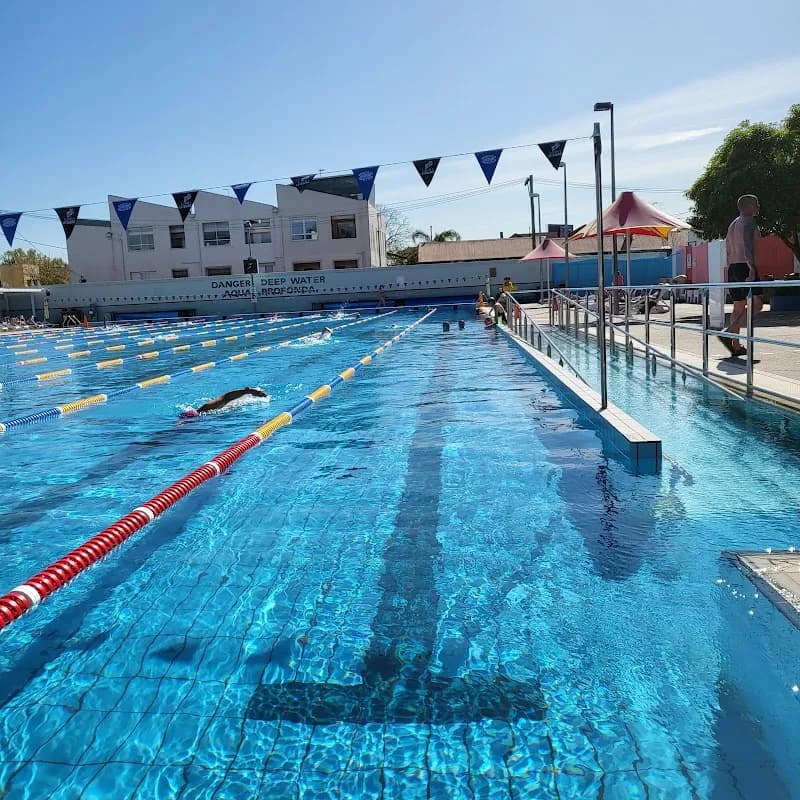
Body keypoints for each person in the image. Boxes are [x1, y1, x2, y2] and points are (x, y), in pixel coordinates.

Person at [719, 194, 762, 357]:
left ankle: (735, 345)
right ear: (749, 206)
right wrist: (751, 268)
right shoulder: (749, 221)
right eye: (756, 204)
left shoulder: (733, 224)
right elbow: (747, 245)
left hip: (733, 268)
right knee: (757, 304)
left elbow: (728, 249)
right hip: (745, 266)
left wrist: (731, 270)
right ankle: (729, 333)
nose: (758, 207)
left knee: (738, 306)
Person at [179, 387, 268, 418]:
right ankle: (247, 392)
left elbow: (225, 398)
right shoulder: (204, 410)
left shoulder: (204, 409)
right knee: (229, 404)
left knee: (226, 402)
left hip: (202, 413)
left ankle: (247, 392)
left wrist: (247, 391)